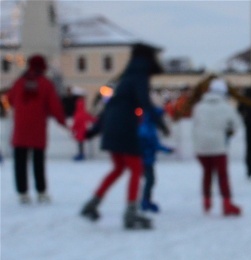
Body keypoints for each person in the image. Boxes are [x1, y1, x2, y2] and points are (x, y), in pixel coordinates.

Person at [80, 43, 169, 230]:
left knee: (119, 168)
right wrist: (160, 123)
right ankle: (131, 213)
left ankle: (92, 204)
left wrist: (95, 130)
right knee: (136, 169)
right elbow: (144, 101)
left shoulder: (126, 76)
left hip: (113, 127)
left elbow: (109, 106)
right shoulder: (139, 76)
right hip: (124, 128)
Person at [7, 54, 67, 204]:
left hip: (20, 128)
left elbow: (9, 98)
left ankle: (23, 193)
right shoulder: (45, 83)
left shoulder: (19, 82)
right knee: (38, 162)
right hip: (38, 129)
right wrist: (62, 121)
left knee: (20, 162)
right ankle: (41, 191)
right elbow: (55, 106)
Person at [191, 78, 242, 216]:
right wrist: (228, 131)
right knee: (222, 175)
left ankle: (206, 202)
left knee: (207, 173)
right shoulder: (226, 107)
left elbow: (195, 125)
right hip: (218, 146)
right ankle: (227, 204)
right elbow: (236, 124)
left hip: (201, 148)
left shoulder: (199, 106)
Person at [139, 107, 174, 213]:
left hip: (145, 158)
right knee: (150, 180)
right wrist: (167, 150)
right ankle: (145, 201)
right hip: (146, 159)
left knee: (149, 180)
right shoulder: (149, 128)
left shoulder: (146, 125)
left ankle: (145, 200)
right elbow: (155, 145)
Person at [71, 95, 96, 161]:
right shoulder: (84, 113)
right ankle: (81, 154)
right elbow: (91, 119)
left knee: (80, 143)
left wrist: (72, 128)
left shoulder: (77, 114)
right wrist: (97, 120)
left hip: (79, 131)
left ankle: (81, 154)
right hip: (83, 130)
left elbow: (75, 123)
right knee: (81, 143)